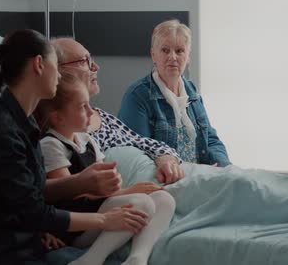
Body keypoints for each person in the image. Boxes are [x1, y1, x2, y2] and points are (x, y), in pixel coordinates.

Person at [0, 29, 148, 264]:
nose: (60, 77)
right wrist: (104, 220)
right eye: (57, 66)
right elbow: (34, 212)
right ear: (39, 64)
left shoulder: (24, 123)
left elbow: (26, 197)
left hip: (28, 243)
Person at [36, 72, 175, 265]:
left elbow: (106, 189)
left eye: (89, 105)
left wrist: (121, 190)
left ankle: (137, 258)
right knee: (142, 203)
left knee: (164, 199)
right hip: (78, 226)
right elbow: (72, 195)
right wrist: (130, 191)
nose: (92, 112)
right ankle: (91, 259)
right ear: (58, 118)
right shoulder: (51, 145)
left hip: (99, 212)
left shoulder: (87, 140)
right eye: (82, 107)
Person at [52, 37, 186, 185]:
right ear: (57, 70)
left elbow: (143, 142)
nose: (95, 67)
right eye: (84, 61)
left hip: (168, 176)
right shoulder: (61, 135)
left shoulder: (103, 117)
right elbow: (71, 191)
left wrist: (166, 159)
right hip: (143, 190)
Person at [118, 19, 231, 166]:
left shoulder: (193, 93)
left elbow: (211, 140)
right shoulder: (137, 96)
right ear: (153, 55)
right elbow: (137, 154)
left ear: (188, 56)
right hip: (165, 181)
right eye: (165, 50)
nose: (172, 57)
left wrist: (225, 167)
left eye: (179, 51)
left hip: (199, 176)